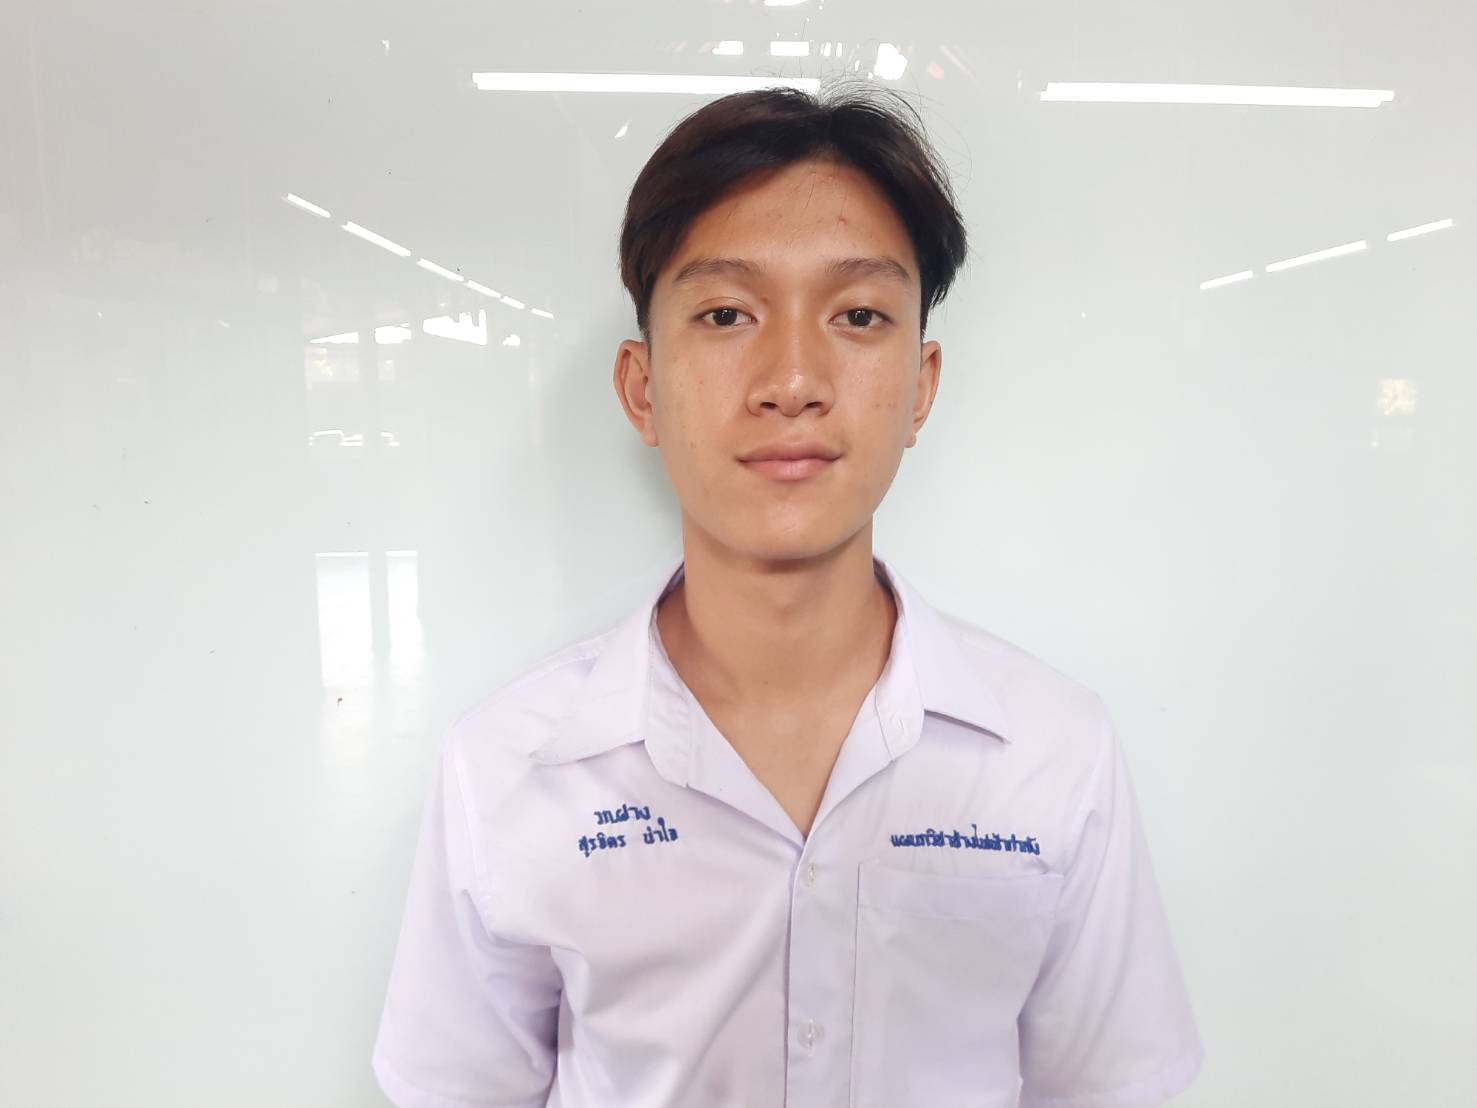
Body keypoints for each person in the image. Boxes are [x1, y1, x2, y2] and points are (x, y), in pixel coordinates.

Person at [371, 78, 1205, 1108]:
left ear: (921, 387)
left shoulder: (1052, 751)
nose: (793, 379)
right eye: (726, 313)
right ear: (641, 387)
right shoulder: (508, 766)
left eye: (857, 314)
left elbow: (1113, 1086)